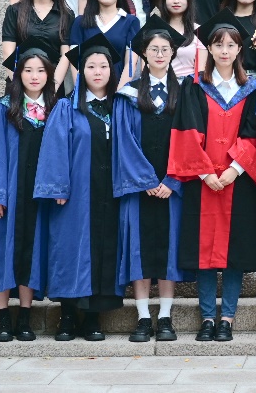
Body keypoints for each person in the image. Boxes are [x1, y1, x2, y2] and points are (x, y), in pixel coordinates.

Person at [168, 14, 256, 344]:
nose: (225, 50)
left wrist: (235, 169)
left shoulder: (251, 87)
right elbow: (186, 129)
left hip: (237, 180)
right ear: (208, 48)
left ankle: (227, 318)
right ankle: (208, 317)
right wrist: (206, 171)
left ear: (240, 49)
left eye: (231, 45)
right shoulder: (194, 85)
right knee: (204, 252)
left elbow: (254, 131)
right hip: (203, 181)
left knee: (235, 251)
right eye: (218, 44)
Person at [34, 34, 125, 341]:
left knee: (103, 250)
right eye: (91, 66)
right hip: (76, 195)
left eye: (103, 66)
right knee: (71, 250)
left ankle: (93, 318)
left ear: (112, 71)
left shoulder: (119, 107)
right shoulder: (66, 107)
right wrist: (58, 187)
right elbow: (55, 148)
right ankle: (68, 316)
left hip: (109, 194)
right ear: (80, 71)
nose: (97, 72)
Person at [0, 50, 55, 343]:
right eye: (28, 70)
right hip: (8, 194)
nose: (34, 76)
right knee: (2, 254)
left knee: (33, 251)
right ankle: (3, 319)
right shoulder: (2, 109)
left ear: (48, 75)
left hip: (38, 195)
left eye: (40, 70)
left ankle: (25, 318)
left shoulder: (55, 109)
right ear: (18, 75)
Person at [113, 18, 191, 343]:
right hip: (140, 188)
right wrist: (145, 180)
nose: (159, 54)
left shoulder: (186, 92)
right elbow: (124, 141)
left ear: (173, 53)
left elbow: (191, 140)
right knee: (139, 249)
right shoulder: (128, 94)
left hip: (172, 187)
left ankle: (166, 316)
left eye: (165, 49)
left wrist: (172, 180)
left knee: (169, 248)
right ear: (144, 53)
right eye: (153, 49)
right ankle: (144, 317)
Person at [2, 0, 73, 91]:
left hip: (53, 85)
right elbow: (8, 52)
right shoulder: (14, 11)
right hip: (19, 83)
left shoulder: (66, 15)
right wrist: (20, 86)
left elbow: (65, 55)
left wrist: (52, 88)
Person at [71, 0, 140, 87]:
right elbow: (75, 62)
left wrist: (120, 92)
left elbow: (130, 63)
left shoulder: (131, 22)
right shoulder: (80, 22)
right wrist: (80, 89)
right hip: (87, 90)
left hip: (118, 86)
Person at [154, 0, 206, 81]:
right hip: (160, 84)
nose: (176, 1)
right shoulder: (153, 29)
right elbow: (146, 69)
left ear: (189, 0)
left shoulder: (199, 31)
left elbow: (201, 70)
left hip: (189, 86)